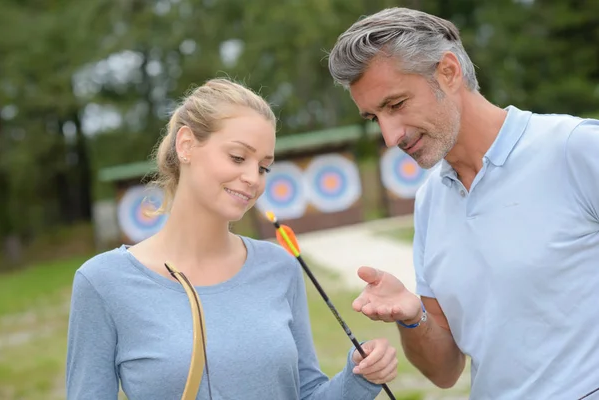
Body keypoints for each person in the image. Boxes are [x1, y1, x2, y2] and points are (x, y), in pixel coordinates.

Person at [65, 78, 399, 399]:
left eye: (264, 167)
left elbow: (306, 394)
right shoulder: (103, 283)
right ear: (186, 145)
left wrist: (361, 377)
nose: (253, 178)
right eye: (238, 157)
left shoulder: (279, 267)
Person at [327, 7, 599, 400]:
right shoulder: (429, 201)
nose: (389, 136)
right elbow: (443, 371)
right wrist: (412, 316)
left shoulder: (575, 148)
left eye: (396, 104)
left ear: (449, 72)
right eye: (374, 118)